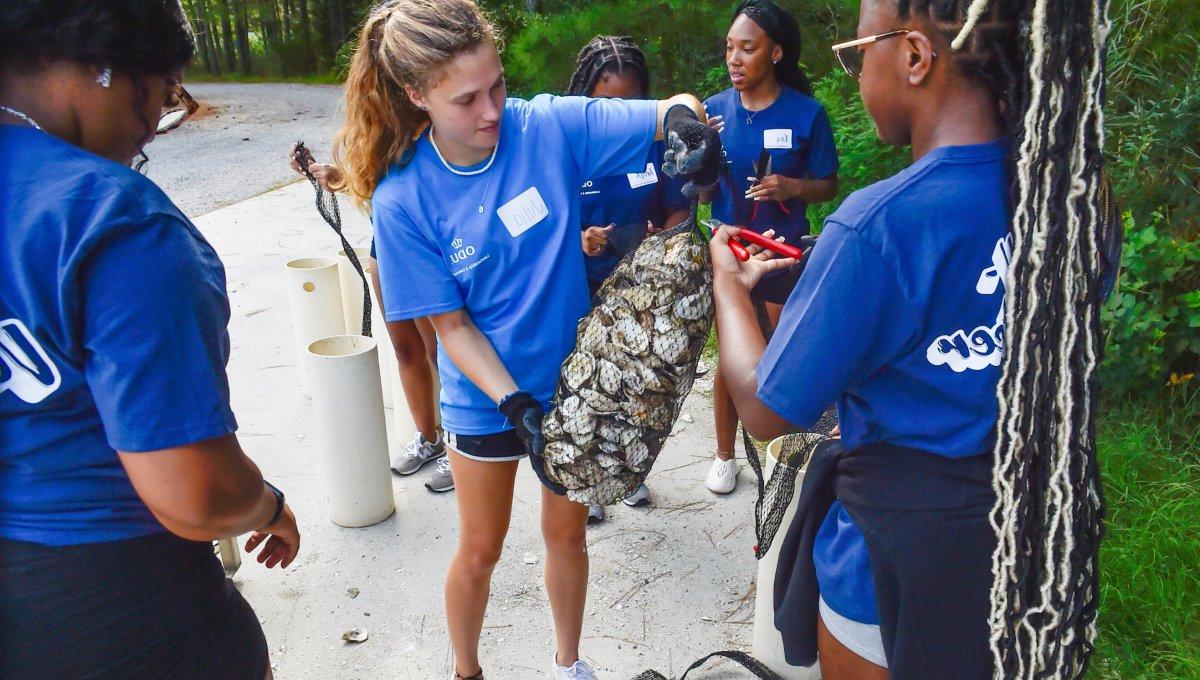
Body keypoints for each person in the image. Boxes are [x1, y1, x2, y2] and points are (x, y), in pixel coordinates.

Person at [711, 0, 1116, 676]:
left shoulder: (877, 227)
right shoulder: (1075, 200)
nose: (856, 70)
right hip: (1030, 551)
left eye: (859, 51)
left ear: (915, 57)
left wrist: (729, 288)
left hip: (889, 572)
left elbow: (763, 408)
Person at [331, 2, 719, 679]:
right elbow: (450, 327)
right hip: (487, 404)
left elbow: (668, 108)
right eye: (467, 99)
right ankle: (467, 669)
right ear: (416, 96)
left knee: (567, 535)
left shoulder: (546, 126)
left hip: (574, 387)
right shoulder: (403, 201)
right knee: (480, 549)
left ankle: (568, 663)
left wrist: (686, 122)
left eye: (498, 84)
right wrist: (514, 404)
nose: (492, 111)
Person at [0, 2, 299, 678]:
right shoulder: (112, 218)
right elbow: (194, 493)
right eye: (161, 99)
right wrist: (266, 504)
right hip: (130, 609)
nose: (148, 138)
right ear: (107, 67)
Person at [701, 0, 839, 495]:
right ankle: (724, 455)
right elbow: (696, 191)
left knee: (779, 352)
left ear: (776, 53)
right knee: (729, 359)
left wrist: (791, 187)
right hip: (728, 251)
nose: (733, 59)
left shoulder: (807, 113)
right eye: (729, 48)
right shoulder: (713, 112)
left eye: (747, 48)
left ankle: (786, 455)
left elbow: (827, 184)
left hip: (781, 252)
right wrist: (697, 165)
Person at [566, 35, 691, 525]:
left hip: (640, 285)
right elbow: (538, 220)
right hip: (576, 284)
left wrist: (670, 236)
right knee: (582, 381)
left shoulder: (655, 143)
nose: (620, 113)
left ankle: (627, 471)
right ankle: (584, 480)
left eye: (632, 102)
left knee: (634, 381)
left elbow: (679, 207)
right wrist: (578, 238)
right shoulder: (567, 143)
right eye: (607, 103)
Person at [288, 155, 450, 492]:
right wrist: (338, 177)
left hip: (427, 244)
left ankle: (460, 448)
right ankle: (429, 438)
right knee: (406, 350)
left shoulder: (422, 125)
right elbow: (374, 182)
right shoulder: (374, 129)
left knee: (442, 354)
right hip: (386, 245)